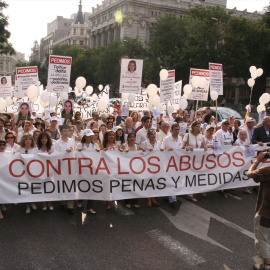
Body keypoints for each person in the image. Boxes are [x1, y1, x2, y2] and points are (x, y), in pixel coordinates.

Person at [247, 152, 270, 270]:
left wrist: (257, 161)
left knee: (263, 238)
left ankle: (267, 265)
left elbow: (249, 174)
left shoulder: (267, 170)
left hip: (266, 211)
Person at [54, 124, 76, 215]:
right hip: (61, 168)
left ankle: (70, 206)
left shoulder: (72, 141)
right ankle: (62, 201)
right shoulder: (57, 143)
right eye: (65, 131)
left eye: (68, 131)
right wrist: (64, 152)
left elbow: (74, 152)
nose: (67, 133)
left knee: (71, 185)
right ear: (61, 132)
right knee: (62, 185)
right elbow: (56, 156)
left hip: (71, 167)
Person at [162, 123, 183, 207]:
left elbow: (181, 150)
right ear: (171, 130)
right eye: (175, 129)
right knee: (172, 180)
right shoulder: (166, 139)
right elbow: (161, 149)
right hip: (169, 164)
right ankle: (173, 200)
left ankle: (169, 195)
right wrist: (167, 150)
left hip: (178, 163)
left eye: (178, 129)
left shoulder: (180, 138)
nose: (177, 131)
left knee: (177, 180)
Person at [183, 121, 205, 201]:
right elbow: (183, 145)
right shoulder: (187, 135)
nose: (198, 128)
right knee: (190, 175)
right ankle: (190, 194)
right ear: (193, 127)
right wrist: (187, 147)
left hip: (198, 159)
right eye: (197, 126)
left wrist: (205, 147)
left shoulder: (201, 135)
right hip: (189, 159)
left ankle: (198, 190)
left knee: (198, 174)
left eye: (199, 126)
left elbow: (202, 146)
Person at [140, 129, 161, 208]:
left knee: (154, 182)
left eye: (154, 134)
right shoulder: (144, 143)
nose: (154, 135)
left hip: (156, 166)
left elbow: (161, 153)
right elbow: (140, 154)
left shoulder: (158, 143)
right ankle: (149, 199)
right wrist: (145, 151)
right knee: (149, 182)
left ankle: (153, 198)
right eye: (152, 134)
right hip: (147, 166)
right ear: (148, 136)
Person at [19, 133, 38, 214]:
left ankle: (32, 202)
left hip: (33, 172)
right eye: (26, 139)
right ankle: (27, 205)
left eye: (29, 139)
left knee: (32, 187)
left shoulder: (35, 149)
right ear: (23, 140)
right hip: (23, 172)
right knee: (25, 188)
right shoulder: (20, 149)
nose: (28, 141)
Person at [121, 132, 141, 209]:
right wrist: (123, 151)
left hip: (135, 169)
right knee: (127, 185)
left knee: (135, 185)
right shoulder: (124, 145)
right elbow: (119, 155)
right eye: (131, 137)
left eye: (134, 137)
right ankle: (127, 202)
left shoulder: (137, 146)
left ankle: (135, 202)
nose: (132, 138)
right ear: (128, 138)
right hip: (126, 168)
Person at [36, 132, 54, 211]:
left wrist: (52, 154)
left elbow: (56, 157)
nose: (44, 140)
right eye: (42, 138)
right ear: (40, 139)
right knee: (41, 186)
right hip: (39, 170)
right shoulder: (36, 148)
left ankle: (49, 201)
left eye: (45, 138)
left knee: (48, 186)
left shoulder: (51, 148)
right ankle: (43, 202)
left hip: (49, 171)